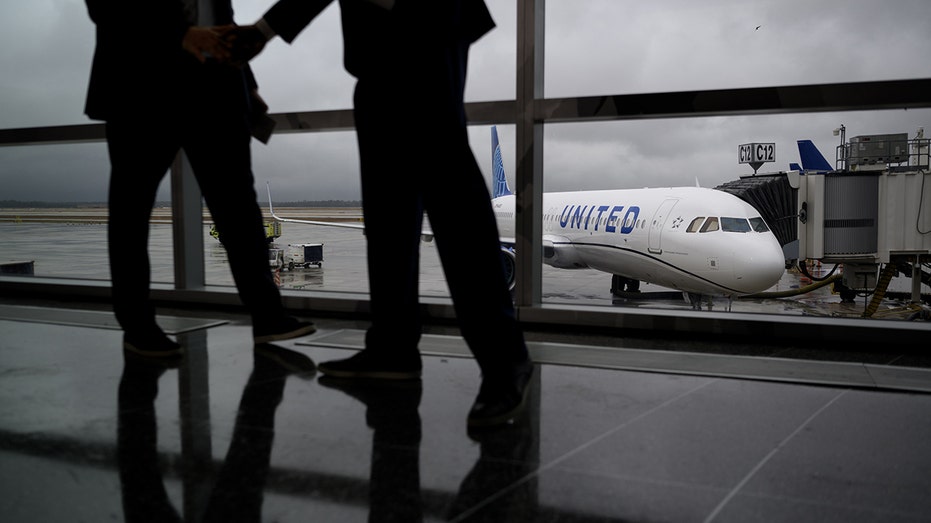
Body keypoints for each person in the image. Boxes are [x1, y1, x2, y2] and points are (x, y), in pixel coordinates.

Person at [224, 0, 533, 427]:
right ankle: (393, 347)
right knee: (391, 210)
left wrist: (263, 30)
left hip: (427, 25)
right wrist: (263, 29)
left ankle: (503, 360)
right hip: (377, 48)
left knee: (452, 198)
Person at [82, 0, 316, 357]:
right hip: (143, 82)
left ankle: (267, 316)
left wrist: (246, 81)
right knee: (133, 208)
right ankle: (138, 325)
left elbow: (221, 19)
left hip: (217, 86)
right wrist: (180, 35)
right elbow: (106, 7)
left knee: (237, 206)